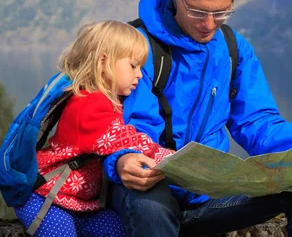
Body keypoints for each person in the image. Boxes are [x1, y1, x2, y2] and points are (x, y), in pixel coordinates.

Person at [104, 0, 292, 237]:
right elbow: (110, 122)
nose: (209, 24)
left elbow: (256, 121)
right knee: (152, 206)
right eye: (198, 11)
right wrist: (122, 159)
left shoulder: (232, 49)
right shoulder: (133, 47)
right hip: (147, 187)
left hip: (209, 195)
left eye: (221, 12)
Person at [14, 21, 173, 237]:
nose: (140, 75)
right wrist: (173, 159)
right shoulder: (89, 104)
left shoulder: (107, 101)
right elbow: (125, 140)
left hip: (78, 203)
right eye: (133, 66)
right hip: (46, 197)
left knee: (120, 230)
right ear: (104, 62)